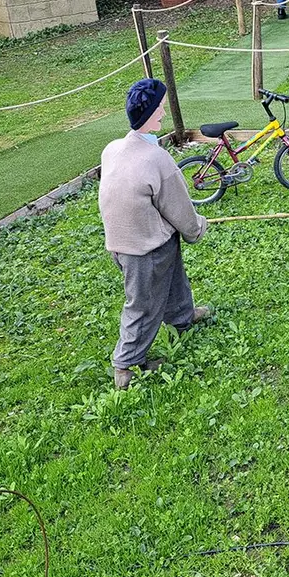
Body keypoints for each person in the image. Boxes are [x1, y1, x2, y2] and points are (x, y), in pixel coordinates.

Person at [100, 80, 212, 390]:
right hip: (143, 249)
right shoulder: (157, 160)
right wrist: (197, 228)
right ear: (149, 113)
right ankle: (126, 366)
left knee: (173, 275)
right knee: (143, 304)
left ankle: (182, 317)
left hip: (123, 243)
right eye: (159, 106)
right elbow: (180, 209)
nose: (163, 109)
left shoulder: (112, 149)